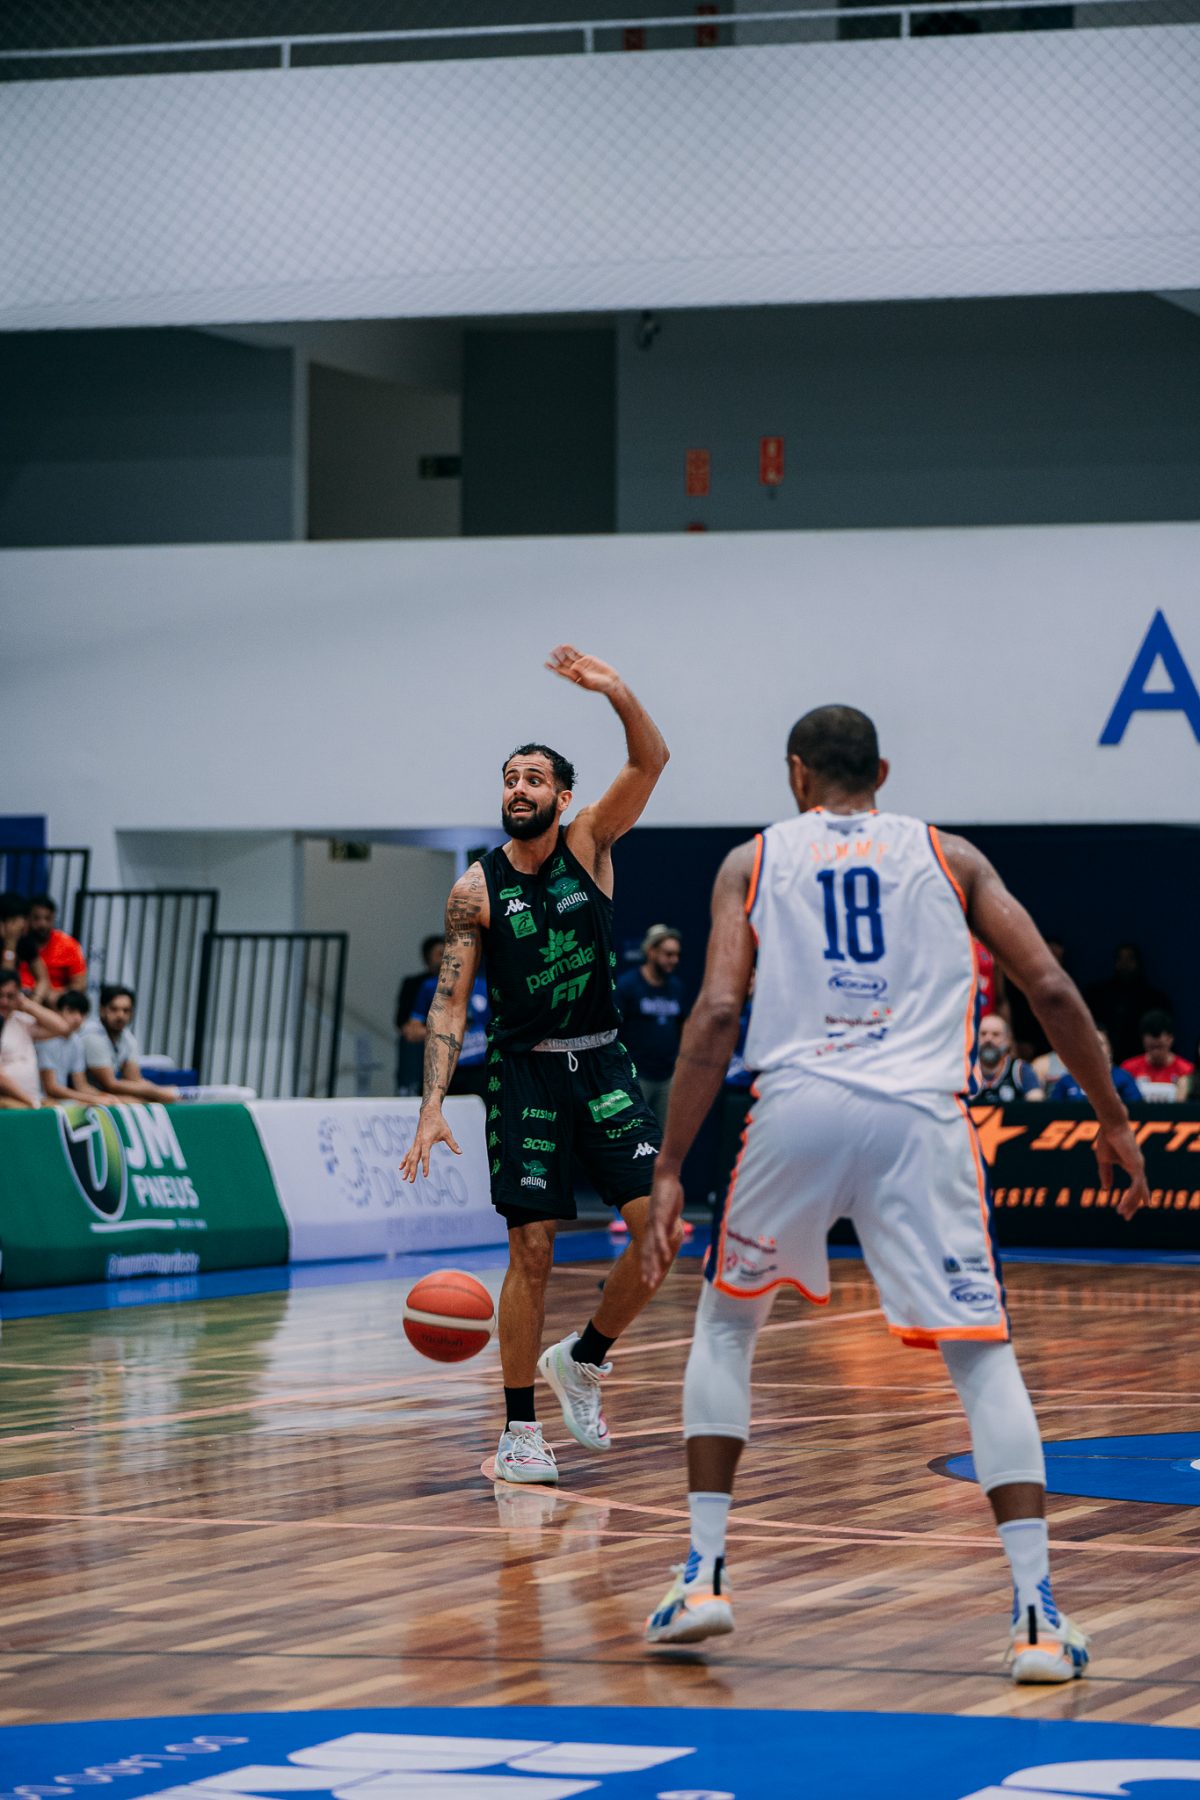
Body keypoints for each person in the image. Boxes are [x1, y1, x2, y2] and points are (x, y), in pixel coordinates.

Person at [641, 703, 1148, 1683]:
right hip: (921, 1119)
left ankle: (702, 1575)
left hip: (796, 1107)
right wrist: (1112, 1117)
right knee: (981, 1354)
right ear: (882, 771)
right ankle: (1037, 1617)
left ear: (796, 774)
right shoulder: (952, 858)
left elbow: (716, 1011)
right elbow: (1049, 988)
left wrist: (668, 1168)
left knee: (728, 1324)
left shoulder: (752, 861)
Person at [400, 645, 680, 1487]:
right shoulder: (475, 890)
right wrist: (432, 1104)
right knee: (532, 1250)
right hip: (523, 1075)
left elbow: (651, 761)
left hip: (603, 1066)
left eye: (534, 779)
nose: (518, 789)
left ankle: (584, 1358)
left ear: (561, 797)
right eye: (509, 778)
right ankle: (520, 1432)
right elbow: (449, 1005)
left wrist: (616, 690)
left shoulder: (590, 841)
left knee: (660, 1234)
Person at [615, 925, 685, 1130]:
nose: (674, 960)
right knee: (635, 1133)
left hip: (667, 1078)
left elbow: (681, 1027)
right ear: (651, 951)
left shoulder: (676, 987)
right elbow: (613, 1032)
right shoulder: (628, 986)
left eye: (677, 955)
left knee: (663, 1137)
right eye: (668, 954)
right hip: (636, 1078)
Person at [80, 985, 181, 1104]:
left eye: (126, 1010)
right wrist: (158, 1092)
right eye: (114, 1009)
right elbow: (111, 1084)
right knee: (140, 1101)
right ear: (102, 1010)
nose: (120, 1015)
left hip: (103, 1095)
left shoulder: (127, 1038)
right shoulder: (92, 1036)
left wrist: (160, 1092)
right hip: (78, 1095)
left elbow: (134, 1079)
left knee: (148, 1100)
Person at [408, 966, 491, 1099]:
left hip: (482, 1070)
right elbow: (412, 1032)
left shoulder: (485, 986)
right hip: (444, 1070)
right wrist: (443, 1030)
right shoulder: (431, 987)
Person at [1084, 944, 1170, 1066]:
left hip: (1137, 1057)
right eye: (1121, 959)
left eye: (1130, 959)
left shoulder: (1154, 998)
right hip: (1104, 1062)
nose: (1125, 964)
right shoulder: (1098, 995)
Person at [0, 969, 68, 1107]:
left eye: (10, 996)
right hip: (10, 1102)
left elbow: (62, 1028)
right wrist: (30, 1102)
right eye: (0, 995)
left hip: (30, 1100)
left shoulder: (21, 1020)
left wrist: (26, 1004)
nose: (4, 1002)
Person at [37, 990, 113, 1106]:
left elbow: (81, 1085)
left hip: (60, 1101)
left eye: (82, 1013)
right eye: (71, 1011)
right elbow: (51, 1088)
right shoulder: (46, 1040)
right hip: (40, 1100)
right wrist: (92, 1099)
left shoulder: (76, 1041)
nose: (77, 1018)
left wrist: (105, 1097)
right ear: (58, 1012)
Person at [395, 935, 444, 1094]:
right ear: (427, 958)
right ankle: (410, 1091)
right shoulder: (416, 984)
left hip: (454, 1039)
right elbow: (404, 1023)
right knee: (411, 1042)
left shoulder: (465, 983)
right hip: (423, 1039)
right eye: (440, 954)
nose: (445, 959)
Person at [1051, 1027, 1141, 1106]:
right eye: (1089, 1044)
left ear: (1109, 1048)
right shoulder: (1066, 1081)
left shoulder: (1123, 1078)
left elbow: (1137, 1110)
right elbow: (1052, 1111)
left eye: (1100, 1043)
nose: (1095, 1048)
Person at [1120, 1009, 1194, 1101]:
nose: (1156, 1052)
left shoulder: (1186, 1070)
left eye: (1159, 1047)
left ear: (1170, 1039)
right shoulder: (1128, 1070)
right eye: (1152, 1047)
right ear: (1143, 1040)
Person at [974, 1013, 1043, 1103]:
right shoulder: (966, 1071)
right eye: (983, 1034)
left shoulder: (1020, 1070)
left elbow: (1037, 1101)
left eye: (995, 1034)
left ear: (1007, 1040)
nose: (988, 1039)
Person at [27, 894, 87, 993]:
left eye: (48, 918)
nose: (42, 924)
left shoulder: (68, 945)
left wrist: (56, 994)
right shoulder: (19, 940)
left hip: (55, 998)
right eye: (36, 918)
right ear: (27, 918)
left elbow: (80, 985)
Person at [0, 893, 51, 1001]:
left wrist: (35, 1000)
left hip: (11, 999)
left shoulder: (24, 940)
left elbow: (43, 979)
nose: (23, 925)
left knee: (52, 998)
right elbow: (5, 982)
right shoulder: (12, 939)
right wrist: (10, 946)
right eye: (15, 921)